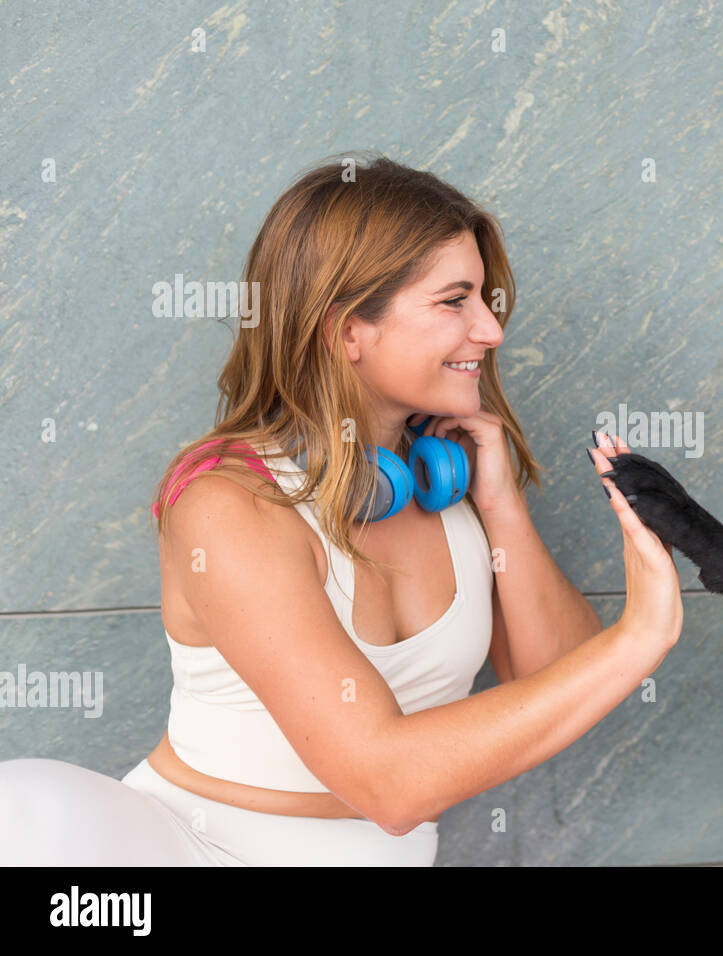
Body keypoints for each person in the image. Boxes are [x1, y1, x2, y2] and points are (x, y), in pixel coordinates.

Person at [0, 154, 683, 866]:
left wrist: (500, 501)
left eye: (485, 299)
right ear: (347, 331)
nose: (491, 330)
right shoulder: (228, 500)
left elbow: (560, 680)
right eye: (455, 301)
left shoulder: (439, 480)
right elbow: (387, 785)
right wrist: (639, 636)